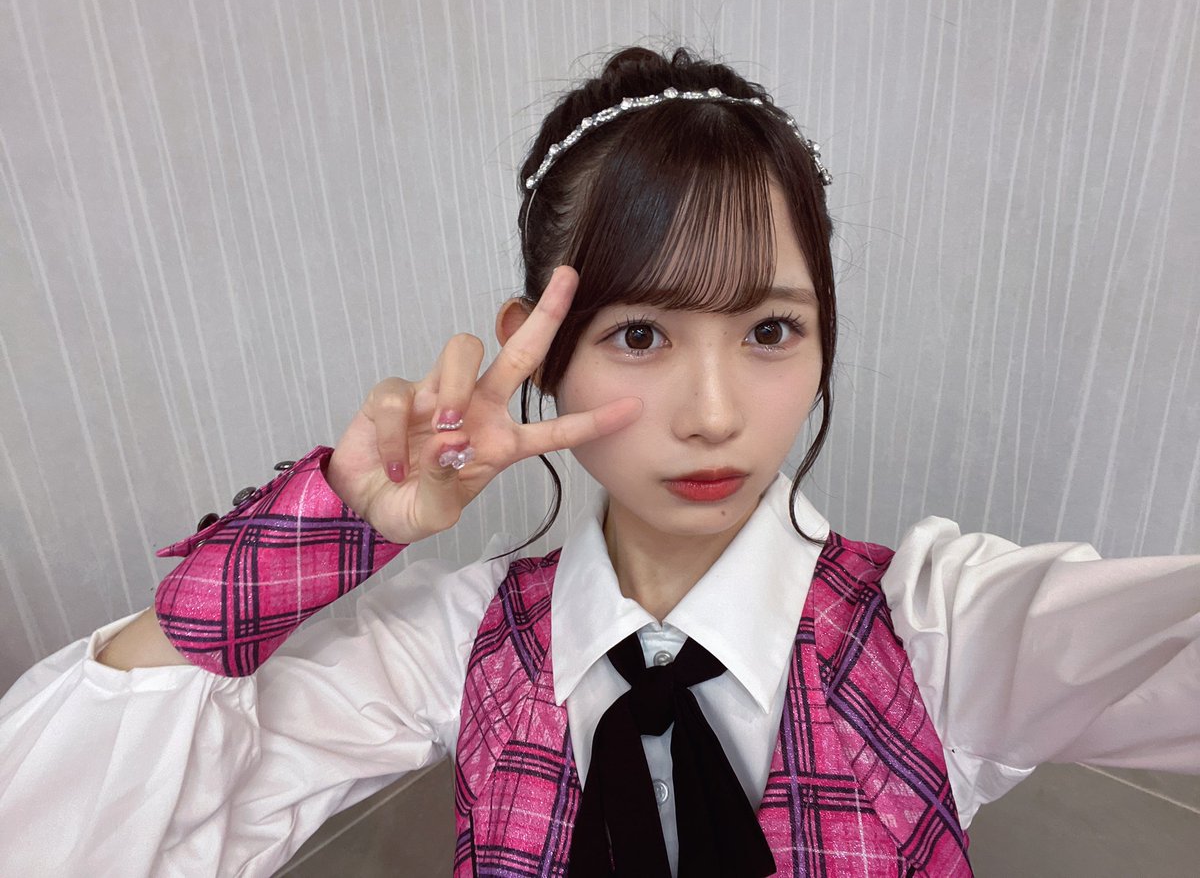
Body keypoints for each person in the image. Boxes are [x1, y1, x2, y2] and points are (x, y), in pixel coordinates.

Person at [0, 46, 1197, 878]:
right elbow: (62, 838)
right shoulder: (459, 643)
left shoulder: (937, 631)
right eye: (640, 335)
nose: (715, 415)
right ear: (541, 349)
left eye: (770, 332)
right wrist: (328, 525)